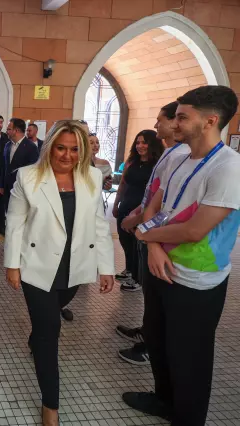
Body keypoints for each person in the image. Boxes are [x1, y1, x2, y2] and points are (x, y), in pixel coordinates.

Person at [124, 86, 240, 426]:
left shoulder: (228, 167)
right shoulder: (179, 158)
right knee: (157, 340)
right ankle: (163, 399)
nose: (174, 124)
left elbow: (194, 230)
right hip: (160, 266)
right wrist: (152, 245)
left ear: (210, 121)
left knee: (189, 357)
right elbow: (155, 207)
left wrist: (145, 236)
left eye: (182, 117)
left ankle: (188, 418)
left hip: (196, 280)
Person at [4, 119, 115, 426]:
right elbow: (14, 223)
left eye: (75, 149)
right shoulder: (28, 176)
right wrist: (12, 264)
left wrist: (107, 267)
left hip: (74, 265)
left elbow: (99, 224)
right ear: (50, 147)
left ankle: (37, 334)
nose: (67, 156)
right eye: (61, 148)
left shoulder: (92, 176)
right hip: (37, 265)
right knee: (50, 331)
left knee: (52, 314)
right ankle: (50, 404)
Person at [116, 102, 188, 366]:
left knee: (162, 298)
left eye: (162, 120)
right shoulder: (171, 154)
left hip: (164, 240)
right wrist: (137, 215)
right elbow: (153, 195)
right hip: (150, 231)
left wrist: (141, 226)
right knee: (151, 294)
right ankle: (147, 333)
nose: (157, 124)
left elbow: (170, 206)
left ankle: (152, 346)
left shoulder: (182, 156)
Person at [112, 130, 164, 292]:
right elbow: (123, 184)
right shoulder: (131, 162)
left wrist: (144, 213)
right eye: (138, 142)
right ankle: (130, 269)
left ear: (152, 144)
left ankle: (138, 278)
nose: (140, 146)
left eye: (144, 142)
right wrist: (116, 204)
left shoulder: (158, 165)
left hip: (142, 209)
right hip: (126, 205)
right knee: (125, 240)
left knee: (138, 243)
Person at [3, 118, 39, 223]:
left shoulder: (31, 147)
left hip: (22, 188)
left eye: (9, 129)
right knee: (9, 214)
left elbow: (33, 169)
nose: (7, 131)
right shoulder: (7, 145)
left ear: (16, 130)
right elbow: (4, 166)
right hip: (7, 188)